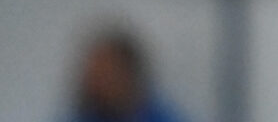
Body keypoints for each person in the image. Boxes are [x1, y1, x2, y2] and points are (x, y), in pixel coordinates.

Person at [62, 27, 190, 122]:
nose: (94, 84)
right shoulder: (80, 116)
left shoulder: (164, 117)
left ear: (127, 75)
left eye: (105, 75)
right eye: (92, 75)